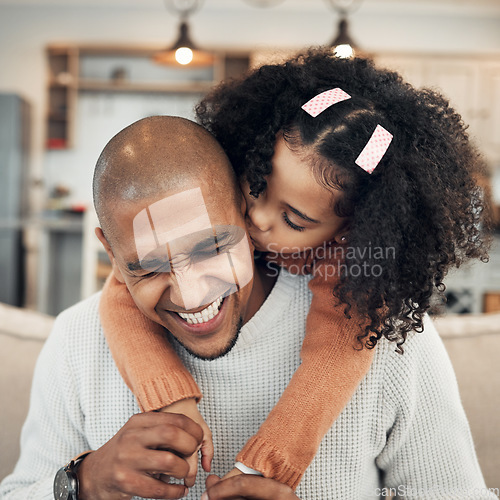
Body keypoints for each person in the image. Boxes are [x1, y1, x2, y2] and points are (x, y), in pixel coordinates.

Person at [0, 113, 495, 500]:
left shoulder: (386, 333)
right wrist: (82, 482)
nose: (192, 296)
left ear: (245, 205)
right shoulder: (76, 339)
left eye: (212, 247)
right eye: (148, 269)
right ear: (109, 251)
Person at [98, 49, 493, 489]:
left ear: (351, 231)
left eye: (294, 220)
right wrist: (169, 397)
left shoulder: (357, 277)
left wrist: (265, 467)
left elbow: (331, 365)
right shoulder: (199, 241)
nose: (257, 219)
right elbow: (120, 289)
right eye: (256, 185)